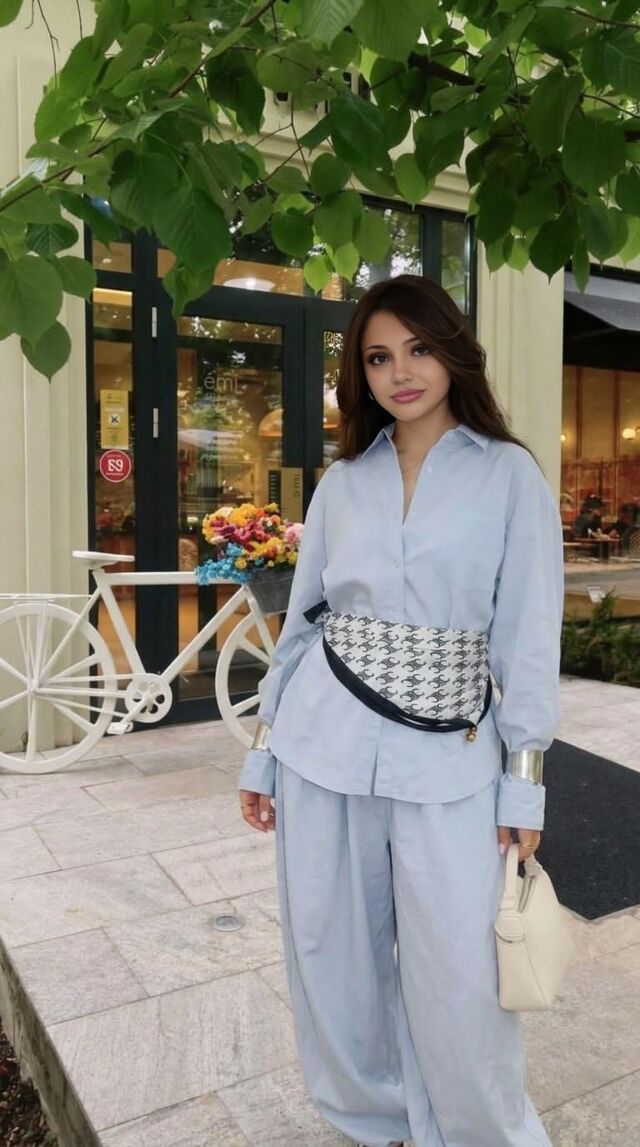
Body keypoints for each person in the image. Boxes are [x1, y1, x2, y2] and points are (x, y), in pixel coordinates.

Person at [237, 274, 564, 1147]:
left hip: (450, 756)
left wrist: (524, 784)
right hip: (322, 747)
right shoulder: (343, 484)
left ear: (453, 352)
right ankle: (374, 1122)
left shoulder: (509, 476)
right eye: (378, 358)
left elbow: (529, 640)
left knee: (462, 973)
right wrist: (263, 751)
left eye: (418, 349)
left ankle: (480, 1130)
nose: (401, 373)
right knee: (332, 960)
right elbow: (302, 629)